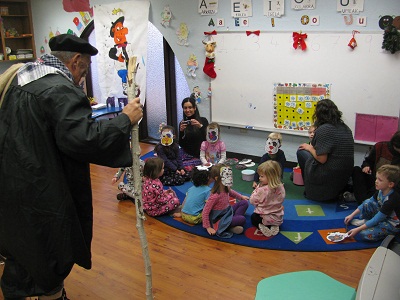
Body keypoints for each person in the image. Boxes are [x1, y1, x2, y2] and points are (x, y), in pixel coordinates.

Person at [0, 34, 143, 299]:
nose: (80, 79)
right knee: (49, 251)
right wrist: (125, 120)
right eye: (84, 71)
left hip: (12, 186)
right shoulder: (59, 90)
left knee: (20, 250)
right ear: (76, 61)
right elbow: (84, 139)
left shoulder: (19, 80)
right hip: (43, 189)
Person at [296, 99, 354, 202]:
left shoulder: (324, 129)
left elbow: (321, 159)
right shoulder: (346, 128)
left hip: (328, 174)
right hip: (344, 174)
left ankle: (310, 189)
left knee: (301, 152)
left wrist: (309, 148)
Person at [344, 165, 400, 242]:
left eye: (380, 180)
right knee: (367, 203)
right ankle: (367, 222)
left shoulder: (392, 199)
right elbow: (367, 202)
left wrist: (358, 229)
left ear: (390, 184)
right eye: (376, 178)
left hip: (392, 224)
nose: (376, 181)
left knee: (365, 234)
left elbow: (378, 218)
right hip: (383, 216)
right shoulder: (380, 190)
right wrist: (352, 215)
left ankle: (388, 233)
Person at [344, 130, 400, 204]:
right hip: (374, 179)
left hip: (388, 185)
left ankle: (362, 200)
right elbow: (367, 161)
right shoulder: (380, 146)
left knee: (389, 187)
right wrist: (366, 166)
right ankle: (364, 200)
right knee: (356, 170)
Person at [202, 164, 249, 238]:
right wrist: (208, 227)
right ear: (217, 178)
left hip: (227, 212)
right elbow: (205, 212)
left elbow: (231, 192)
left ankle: (231, 223)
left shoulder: (225, 187)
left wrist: (241, 197)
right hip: (219, 219)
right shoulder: (215, 196)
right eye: (227, 175)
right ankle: (229, 226)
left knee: (244, 203)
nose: (230, 178)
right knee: (242, 219)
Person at [250, 161, 286, 237]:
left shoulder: (262, 190)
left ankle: (262, 225)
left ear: (270, 177)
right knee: (279, 211)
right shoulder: (281, 186)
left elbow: (252, 201)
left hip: (263, 216)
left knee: (253, 217)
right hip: (277, 216)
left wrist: (257, 189)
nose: (259, 178)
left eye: (262, 176)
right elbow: (282, 198)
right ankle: (275, 225)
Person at [178, 95, 209, 168]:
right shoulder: (183, 123)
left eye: (190, 107)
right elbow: (181, 144)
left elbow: (208, 140)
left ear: (195, 108)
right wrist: (181, 131)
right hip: (187, 154)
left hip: (201, 154)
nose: (187, 110)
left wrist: (200, 127)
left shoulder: (203, 120)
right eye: (185, 108)